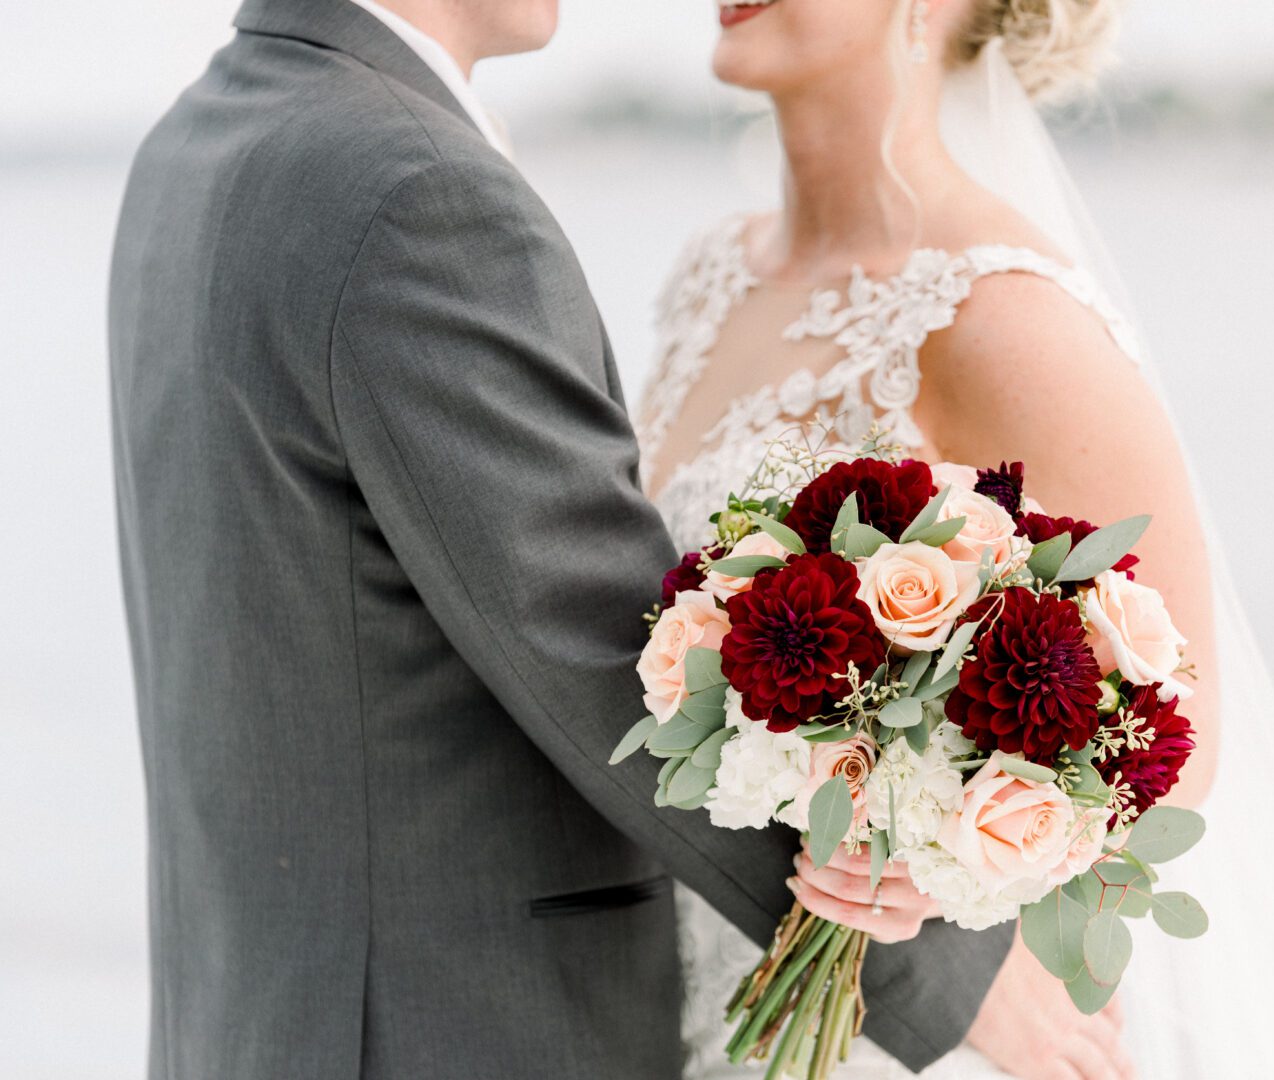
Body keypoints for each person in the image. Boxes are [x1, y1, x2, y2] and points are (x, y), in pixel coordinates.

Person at [106, 0, 1020, 1076]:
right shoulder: (409, 188)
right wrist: (939, 968)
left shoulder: (197, 141)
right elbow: (602, 652)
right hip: (448, 1030)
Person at [640, 1, 1274, 1077]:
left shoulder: (999, 312)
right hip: (692, 978)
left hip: (898, 1020)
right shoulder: (709, 275)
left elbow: (1177, 722)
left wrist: (928, 849)